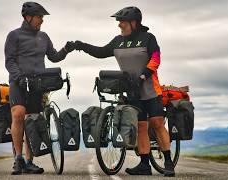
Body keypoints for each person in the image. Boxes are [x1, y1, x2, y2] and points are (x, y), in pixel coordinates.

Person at [74, 6, 175, 177]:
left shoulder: (148, 38)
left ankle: (168, 162)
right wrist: (81, 45)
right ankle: (144, 165)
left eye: (122, 22)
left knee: (157, 124)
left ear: (134, 22)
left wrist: (143, 76)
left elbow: (156, 59)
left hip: (150, 89)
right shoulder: (117, 41)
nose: (119, 25)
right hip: (132, 91)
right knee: (141, 127)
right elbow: (100, 52)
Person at [4, 1, 75, 175]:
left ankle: (29, 161)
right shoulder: (14, 35)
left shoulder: (44, 37)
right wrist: (19, 77)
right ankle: (18, 159)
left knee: (33, 120)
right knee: (18, 114)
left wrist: (67, 49)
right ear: (27, 17)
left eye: (42, 17)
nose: (41, 20)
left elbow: (54, 57)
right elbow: (9, 61)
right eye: (39, 17)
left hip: (38, 84)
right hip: (18, 82)